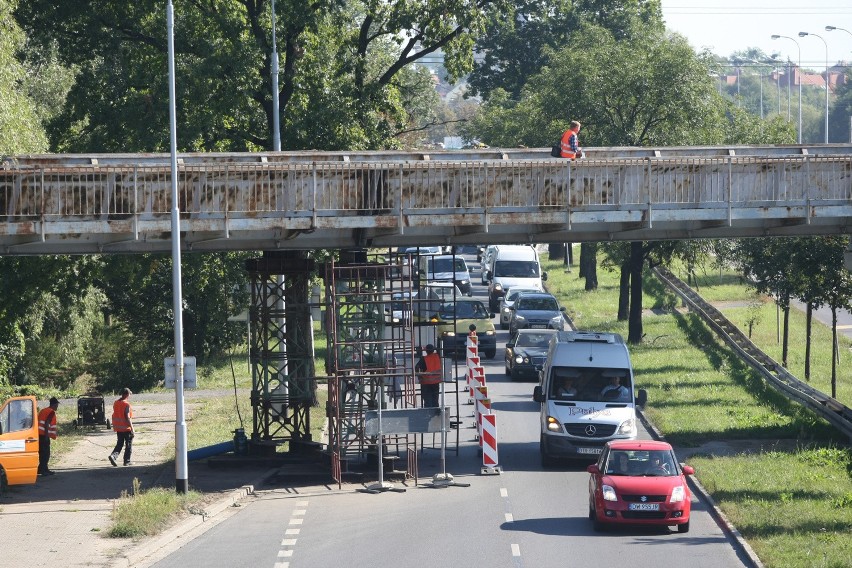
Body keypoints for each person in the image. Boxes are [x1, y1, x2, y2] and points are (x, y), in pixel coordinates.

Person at [109, 388, 134, 466]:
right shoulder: (126, 404)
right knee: (128, 444)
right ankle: (127, 461)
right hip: (126, 428)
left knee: (119, 444)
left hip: (119, 428)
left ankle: (113, 456)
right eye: (129, 394)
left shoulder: (116, 403)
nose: (129, 396)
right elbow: (127, 417)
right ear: (126, 394)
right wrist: (132, 428)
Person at [37, 397, 60, 476]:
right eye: (57, 405)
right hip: (44, 435)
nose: (57, 407)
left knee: (42, 453)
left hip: (38, 434)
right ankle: (43, 470)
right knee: (46, 454)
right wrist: (47, 436)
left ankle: (43, 469)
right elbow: (47, 423)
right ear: (54, 405)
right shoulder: (51, 412)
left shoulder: (43, 410)